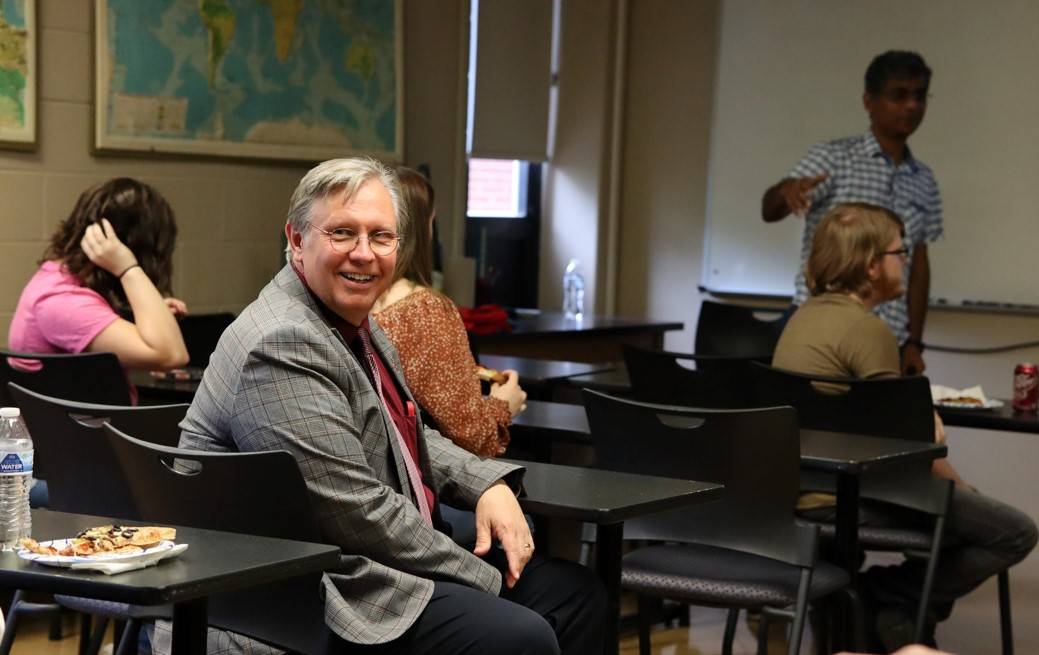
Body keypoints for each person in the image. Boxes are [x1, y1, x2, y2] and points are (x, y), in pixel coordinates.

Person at [166, 157, 605, 654]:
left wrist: (488, 485)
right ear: (295, 240)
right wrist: (482, 575)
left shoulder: (352, 321)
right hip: (308, 594)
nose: (363, 254)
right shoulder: (282, 340)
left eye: (380, 237)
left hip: (362, 562)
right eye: (342, 233)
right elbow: (359, 514)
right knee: (519, 633)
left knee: (577, 596)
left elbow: (409, 436)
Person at [773, 203, 1037, 651]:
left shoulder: (804, 318)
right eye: (900, 252)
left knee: (954, 520)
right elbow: (910, 447)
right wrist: (963, 487)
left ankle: (892, 618)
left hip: (801, 489)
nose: (906, 262)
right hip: (848, 496)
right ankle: (889, 598)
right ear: (872, 265)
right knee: (1013, 531)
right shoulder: (866, 329)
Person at [762, 50, 941, 375]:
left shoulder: (924, 179)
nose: (912, 105)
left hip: (892, 332)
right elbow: (769, 208)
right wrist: (786, 191)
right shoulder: (834, 157)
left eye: (919, 95)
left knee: (879, 419)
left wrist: (915, 341)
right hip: (824, 326)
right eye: (899, 95)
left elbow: (918, 265)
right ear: (869, 102)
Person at [373, 167, 526, 458]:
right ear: (422, 228)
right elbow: (472, 438)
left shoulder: (346, 304)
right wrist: (504, 405)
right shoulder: (425, 313)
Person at [9, 177, 190, 400]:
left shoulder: (58, 282)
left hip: (86, 429)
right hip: (82, 433)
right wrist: (128, 268)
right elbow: (171, 355)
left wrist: (151, 313)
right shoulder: (61, 300)